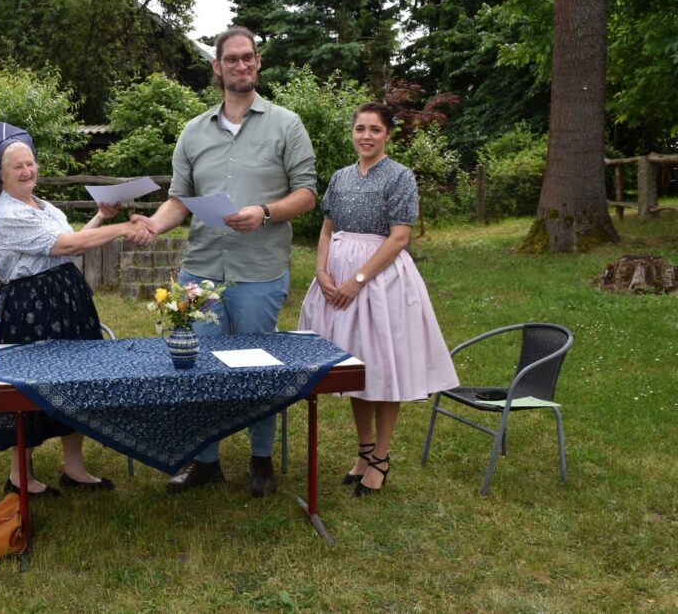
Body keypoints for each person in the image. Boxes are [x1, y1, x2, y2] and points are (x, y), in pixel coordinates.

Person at [132, 26, 318, 497]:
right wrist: (155, 224)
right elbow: (179, 199)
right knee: (199, 368)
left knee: (259, 368)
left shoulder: (286, 124)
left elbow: (308, 194)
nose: (240, 65)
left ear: (258, 63)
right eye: (231, 59)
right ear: (216, 67)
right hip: (202, 273)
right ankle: (205, 460)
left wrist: (267, 212)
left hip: (259, 270)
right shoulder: (194, 132)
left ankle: (260, 459)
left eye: (248, 58)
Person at [0, 122, 154, 497]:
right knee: (30, 387)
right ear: (1, 176)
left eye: (30, 163)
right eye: (17, 166)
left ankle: (75, 468)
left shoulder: (42, 204)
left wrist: (101, 216)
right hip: (30, 309)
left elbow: (72, 241)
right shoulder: (9, 215)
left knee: (76, 380)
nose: (27, 170)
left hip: (66, 300)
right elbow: (66, 246)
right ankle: (20, 476)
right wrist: (119, 230)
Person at [298, 102, 459, 496]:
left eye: (374, 129)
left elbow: (400, 237)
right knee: (356, 368)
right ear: (352, 132)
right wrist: (322, 272)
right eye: (359, 128)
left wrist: (358, 278)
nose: (366, 136)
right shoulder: (339, 177)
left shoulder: (400, 176)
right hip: (336, 281)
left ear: (387, 134)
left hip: (381, 282)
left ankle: (381, 458)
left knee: (384, 367)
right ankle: (364, 451)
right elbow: (325, 230)